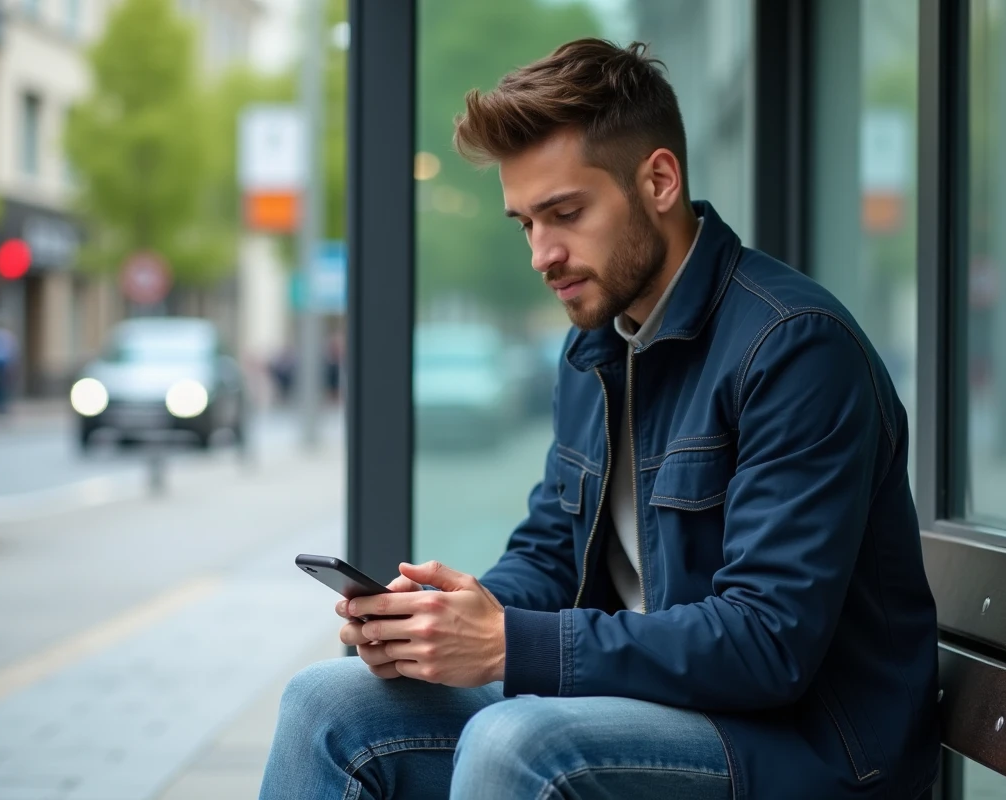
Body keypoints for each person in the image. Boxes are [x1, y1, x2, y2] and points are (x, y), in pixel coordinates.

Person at [260, 39, 940, 800]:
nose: (541, 255)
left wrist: (510, 644)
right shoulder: (596, 348)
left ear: (657, 179)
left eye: (565, 213)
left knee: (514, 743)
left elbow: (768, 642)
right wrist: (443, 620)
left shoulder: (793, 348)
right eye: (525, 223)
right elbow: (552, 554)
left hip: (805, 750)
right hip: (658, 712)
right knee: (328, 702)